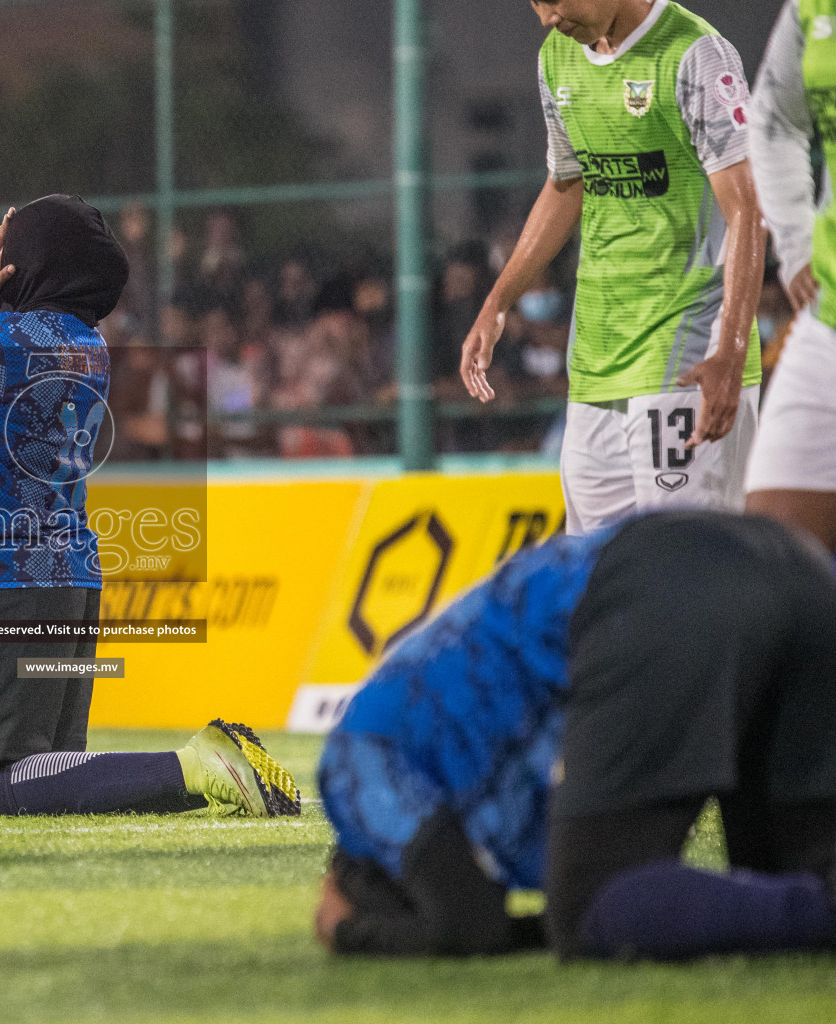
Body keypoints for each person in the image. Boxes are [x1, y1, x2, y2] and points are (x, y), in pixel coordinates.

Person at [0, 195, 299, 818]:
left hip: (0, 576)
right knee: (42, 780)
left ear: (19, 266)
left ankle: (198, 765)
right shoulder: (88, 343)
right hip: (69, 574)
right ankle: (199, 772)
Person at [316, 511, 836, 960]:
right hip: (798, 566)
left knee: (591, 903)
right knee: (790, 871)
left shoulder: (352, 765)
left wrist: (347, 929)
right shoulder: (458, 770)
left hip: (655, 588)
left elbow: (467, 921)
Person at [461, 0, 763, 534]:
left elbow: (747, 208)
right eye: (534, 2)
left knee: (687, 570)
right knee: (600, 578)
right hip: (596, 361)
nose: (546, 17)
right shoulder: (557, 57)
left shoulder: (695, 54)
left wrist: (731, 351)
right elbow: (565, 184)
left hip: (686, 355)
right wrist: (497, 302)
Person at [744, 0, 836, 552]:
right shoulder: (813, 7)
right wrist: (797, 245)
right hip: (829, 323)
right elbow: (774, 120)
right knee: (772, 569)